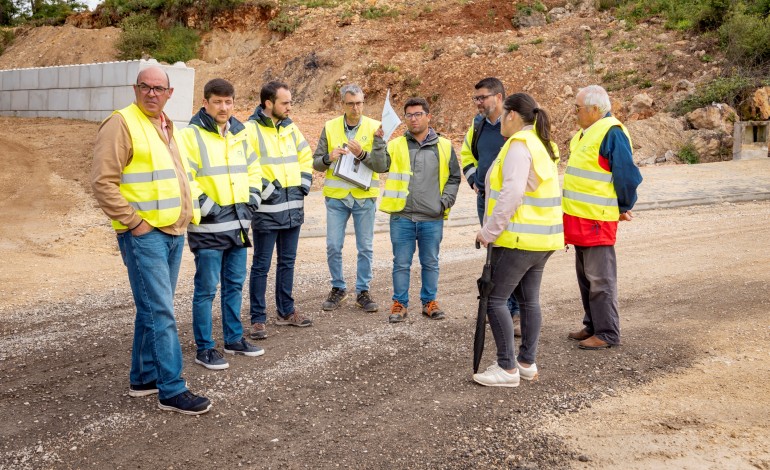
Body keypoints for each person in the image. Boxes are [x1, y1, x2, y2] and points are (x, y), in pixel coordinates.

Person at [91, 66, 211, 415]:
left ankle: (143, 378)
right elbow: (102, 182)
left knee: (151, 309)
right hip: (144, 236)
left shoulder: (166, 124)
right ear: (136, 88)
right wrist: (135, 224)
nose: (152, 93)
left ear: (170, 93)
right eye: (146, 87)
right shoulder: (121, 123)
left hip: (171, 231)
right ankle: (171, 388)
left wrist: (187, 216)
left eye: (159, 88)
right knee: (161, 311)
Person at [472, 93, 564, 387]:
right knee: (528, 301)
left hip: (519, 238)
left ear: (512, 115)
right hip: (543, 238)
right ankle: (525, 362)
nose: (499, 121)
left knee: (495, 299)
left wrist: (488, 232)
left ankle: (507, 368)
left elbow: (511, 194)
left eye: (503, 115)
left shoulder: (519, 145)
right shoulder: (541, 144)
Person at [177, 78, 265, 370]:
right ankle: (205, 348)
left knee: (233, 285)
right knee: (206, 290)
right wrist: (208, 208)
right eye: (217, 101)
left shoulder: (240, 134)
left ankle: (234, 338)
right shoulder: (190, 136)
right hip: (209, 227)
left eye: (228, 102)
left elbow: (255, 169)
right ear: (205, 103)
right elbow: (185, 177)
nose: (224, 107)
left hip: (239, 225)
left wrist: (252, 199)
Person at [563, 85, 642, 350]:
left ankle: (607, 333)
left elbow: (627, 175)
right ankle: (592, 326)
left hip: (596, 220)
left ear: (594, 110)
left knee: (600, 280)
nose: (575, 112)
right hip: (580, 219)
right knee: (586, 278)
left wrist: (623, 205)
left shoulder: (612, 133)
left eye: (578, 108)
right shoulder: (586, 133)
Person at [381, 97, 461, 323]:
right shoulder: (395, 144)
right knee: (401, 263)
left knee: (430, 262)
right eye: (409, 115)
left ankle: (429, 302)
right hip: (402, 215)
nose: (413, 119)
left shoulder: (444, 146)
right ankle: (400, 304)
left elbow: (454, 177)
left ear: (428, 116)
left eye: (418, 114)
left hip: (431, 217)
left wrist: (444, 201)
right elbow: (379, 165)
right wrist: (378, 143)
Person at [246, 81, 314, 339]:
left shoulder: (290, 127)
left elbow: (305, 155)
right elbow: (247, 165)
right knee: (261, 265)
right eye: (285, 102)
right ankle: (258, 319)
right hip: (267, 209)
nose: (289, 107)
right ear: (268, 103)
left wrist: (302, 186)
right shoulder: (250, 130)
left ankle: (286, 312)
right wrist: (267, 192)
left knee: (287, 262)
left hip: (293, 206)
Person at [312, 84, 389, 313]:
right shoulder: (330, 127)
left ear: (363, 103)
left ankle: (363, 291)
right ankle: (338, 288)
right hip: (336, 198)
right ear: (342, 104)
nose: (355, 108)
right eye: (350, 103)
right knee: (333, 246)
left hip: (364, 198)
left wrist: (362, 154)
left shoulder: (376, 127)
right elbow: (316, 162)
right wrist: (328, 157)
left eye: (359, 103)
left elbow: (382, 165)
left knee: (365, 247)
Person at [460, 77, 522, 336]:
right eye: (476, 98)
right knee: (494, 254)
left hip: (512, 202)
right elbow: (466, 155)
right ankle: (502, 309)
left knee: (514, 254)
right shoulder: (478, 126)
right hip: (485, 200)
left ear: (498, 97)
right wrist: (474, 178)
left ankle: (516, 314)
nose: (478, 103)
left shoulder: (517, 126)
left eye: (482, 97)